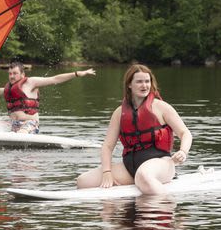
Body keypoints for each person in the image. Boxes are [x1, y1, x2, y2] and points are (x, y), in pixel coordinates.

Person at [76, 64, 192, 195]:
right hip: (130, 167)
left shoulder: (162, 107)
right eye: (139, 81)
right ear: (129, 85)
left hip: (161, 164)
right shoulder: (119, 113)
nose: (144, 85)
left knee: (143, 176)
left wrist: (183, 151)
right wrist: (107, 172)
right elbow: (107, 146)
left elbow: (185, 133)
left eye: (147, 81)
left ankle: (167, 205)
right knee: (83, 181)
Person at [0, 61, 95, 134]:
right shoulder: (9, 88)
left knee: (20, 135)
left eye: (15, 73)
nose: (11, 76)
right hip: (13, 124)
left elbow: (54, 79)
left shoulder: (31, 83)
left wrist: (77, 74)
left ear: (22, 74)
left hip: (29, 124)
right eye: (10, 74)